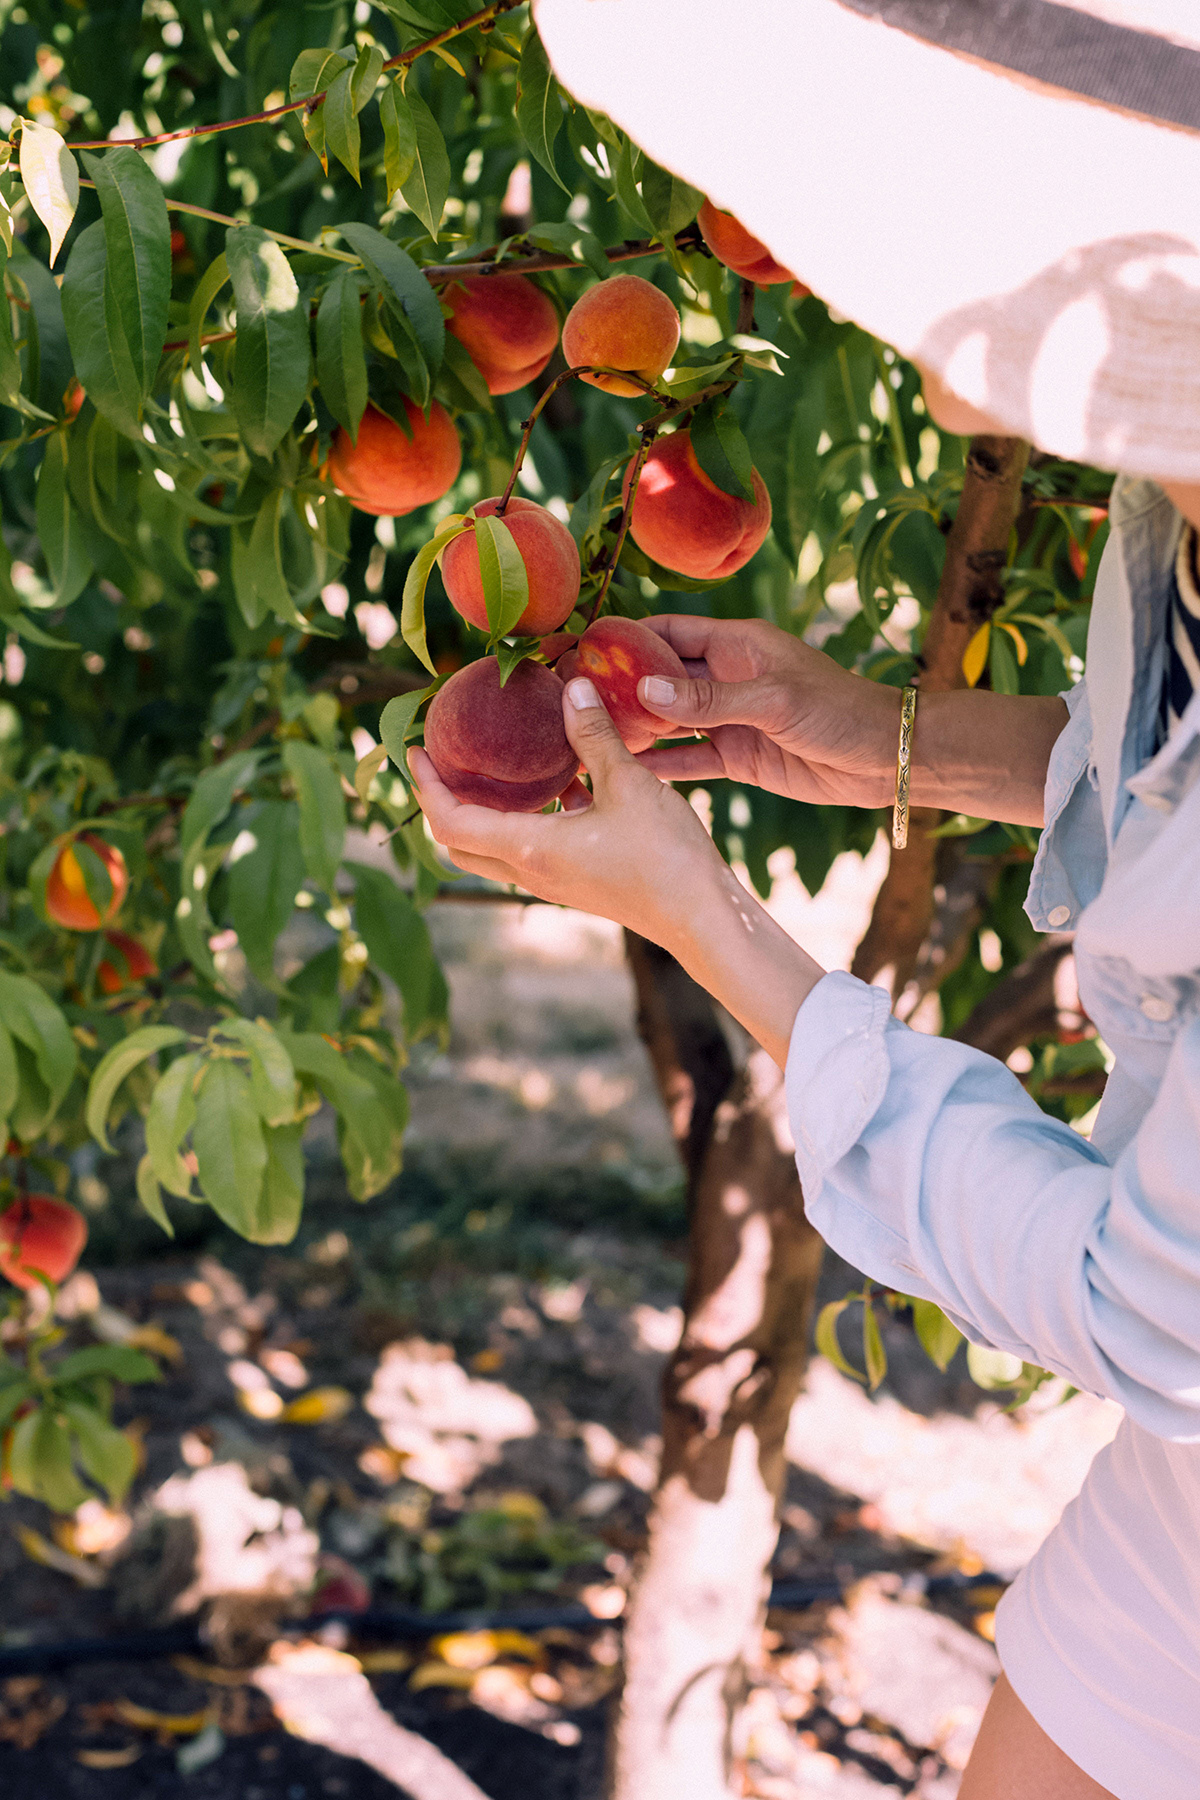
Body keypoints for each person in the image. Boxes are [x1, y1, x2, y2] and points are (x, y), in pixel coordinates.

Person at [415, 4, 1200, 1794]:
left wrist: (712, 925)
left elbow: (1149, 1316)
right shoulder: (1179, 501)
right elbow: (1169, 782)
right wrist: (876, 738)